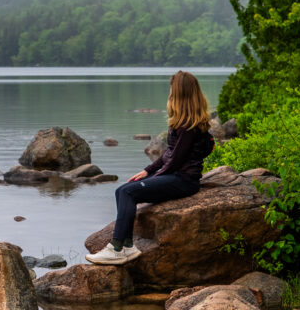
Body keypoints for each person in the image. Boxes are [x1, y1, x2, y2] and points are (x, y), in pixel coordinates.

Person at [85, 70, 216, 265]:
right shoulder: (185, 122)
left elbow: (176, 160)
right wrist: (148, 170)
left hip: (183, 181)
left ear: (179, 94)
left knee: (129, 192)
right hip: (178, 177)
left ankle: (117, 248)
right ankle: (127, 246)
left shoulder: (188, 126)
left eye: (172, 89)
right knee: (122, 190)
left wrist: (154, 179)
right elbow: (170, 153)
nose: (169, 93)